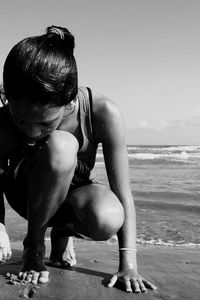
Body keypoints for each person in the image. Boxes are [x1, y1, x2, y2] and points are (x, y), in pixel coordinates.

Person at [0, 25, 156, 293]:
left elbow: (123, 193)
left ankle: (62, 233)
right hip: (26, 195)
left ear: (70, 103)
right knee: (60, 145)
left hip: (72, 193)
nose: (31, 131)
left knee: (106, 216)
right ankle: (34, 244)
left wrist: (128, 265)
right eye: (20, 120)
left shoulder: (102, 112)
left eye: (44, 123)